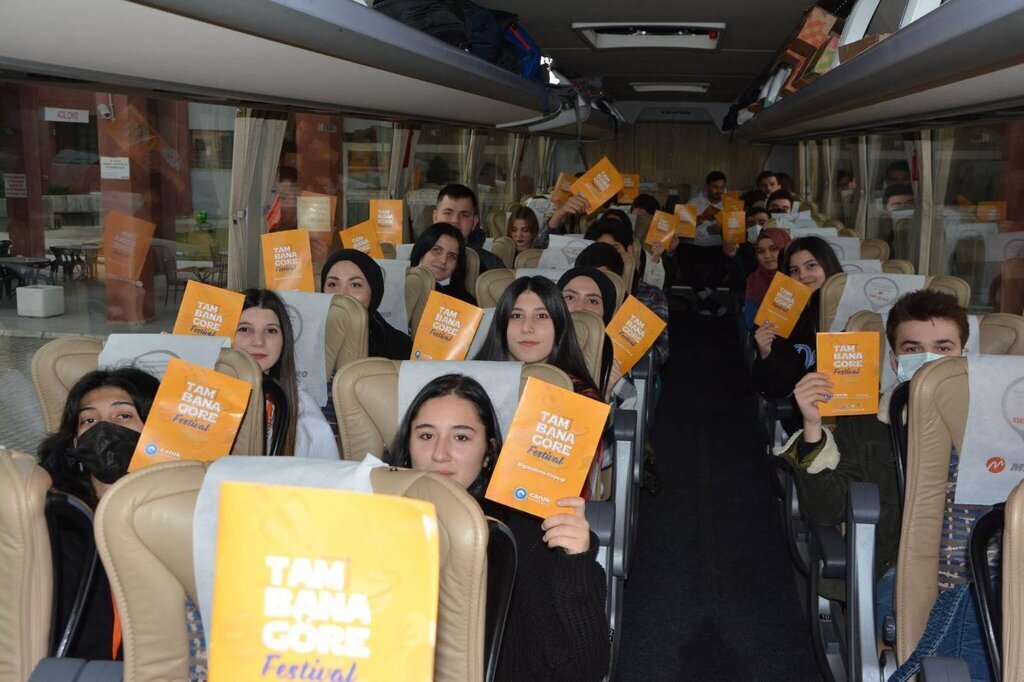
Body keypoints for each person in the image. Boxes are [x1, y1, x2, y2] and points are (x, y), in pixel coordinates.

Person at [776, 291, 991, 681]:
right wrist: (812, 426)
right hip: (897, 567)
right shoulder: (867, 422)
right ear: (894, 360)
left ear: (964, 355)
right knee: (974, 610)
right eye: (913, 349)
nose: (929, 359)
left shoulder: (998, 422)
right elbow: (824, 510)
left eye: (943, 348)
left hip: (989, 565)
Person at [385, 374, 609, 681]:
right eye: (426, 435)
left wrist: (575, 565)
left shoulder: (520, 534)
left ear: (488, 453)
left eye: (461, 438)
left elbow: (584, 669)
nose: (440, 453)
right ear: (407, 445)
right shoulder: (373, 516)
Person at [37, 367, 160, 662]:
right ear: (74, 442)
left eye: (124, 415)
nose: (104, 429)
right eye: (89, 420)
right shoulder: (59, 519)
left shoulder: (183, 514)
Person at [235, 289, 339, 459]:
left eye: (271, 331)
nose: (259, 341)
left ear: (284, 340)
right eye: (245, 329)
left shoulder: (303, 411)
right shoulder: (198, 397)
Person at [751, 237, 842, 400]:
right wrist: (766, 353)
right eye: (794, 270)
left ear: (828, 266)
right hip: (804, 407)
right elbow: (774, 389)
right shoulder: (783, 317)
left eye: (811, 266)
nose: (802, 275)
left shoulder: (852, 312)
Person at [575, 242, 669, 370]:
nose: (596, 286)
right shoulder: (573, 307)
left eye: (603, 279)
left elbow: (660, 354)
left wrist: (633, 343)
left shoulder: (635, 312)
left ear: (617, 280)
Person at [320, 249, 412, 359]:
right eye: (333, 284)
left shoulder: (401, 347)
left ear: (373, 293)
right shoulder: (307, 338)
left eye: (355, 285)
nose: (342, 294)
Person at [557, 265, 620, 396]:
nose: (579, 308)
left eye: (592, 301)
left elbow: (628, 400)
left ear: (606, 313)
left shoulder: (612, 366)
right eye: (570, 297)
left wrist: (605, 392)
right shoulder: (536, 349)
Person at [677, 171, 729, 315]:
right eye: (715, 187)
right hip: (695, 244)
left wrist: (721, 230)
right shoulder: (693, 202)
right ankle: (705, 296)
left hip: (718, 245)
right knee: (681, 250)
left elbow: (737, 230)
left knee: (729, 255)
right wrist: (696, 222)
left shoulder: (730, 205)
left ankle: (703, 298)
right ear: (707, 187)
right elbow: (681, 229)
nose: (719, 191)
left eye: (722, 187)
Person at [433, 183, 503, 271]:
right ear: (435, 217)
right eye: (448, 213)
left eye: (464, 215)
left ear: (474, 222)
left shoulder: (492, 266)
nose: (455, 220)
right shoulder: (420, 257)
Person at [584, 217, 667, 291]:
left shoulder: (651, 296)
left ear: (629, 251)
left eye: (615, 248)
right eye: (601, 249)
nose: (609, 255)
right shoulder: (581, 291)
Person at [409, 222, 477, 305]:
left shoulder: (466, 303)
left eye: (452, 256)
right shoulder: (398, 287)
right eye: (436, 250)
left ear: (456, 265)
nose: (443, 260)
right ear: (421, 250)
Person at [740, 228, 791, 331]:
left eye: (773, 249)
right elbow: (751, 323)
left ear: (785, 250)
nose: (767, 255)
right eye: (761, 251)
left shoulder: (799, 277)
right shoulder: (754, 280)